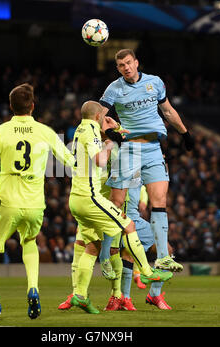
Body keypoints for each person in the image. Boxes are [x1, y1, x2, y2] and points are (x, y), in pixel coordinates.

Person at [67, 100, 173, 314]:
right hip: (98, 199)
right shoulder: (107, 142)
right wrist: (111, 136)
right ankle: (140, 276)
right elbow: (103, 156)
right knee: (118, 238)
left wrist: (114, 128)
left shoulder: (85, 131)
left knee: (103, 246)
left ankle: (101, 295)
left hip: (90, 199)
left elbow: (122, 137)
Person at [0, 83, 75, 321]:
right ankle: (33, 288)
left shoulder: (2, 131)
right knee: (30, 240)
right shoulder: (45, 131)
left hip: (8, 200)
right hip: (35, 203)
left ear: (11, 106)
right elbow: (70, 161)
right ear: (33, 107)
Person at [99, 48, 194, 272]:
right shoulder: (114, 88)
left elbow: (168, 111)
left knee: (159, 202)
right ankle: (105, 255)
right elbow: (97, 116)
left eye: (129, 63)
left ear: (137, 62)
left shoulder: (155, 82)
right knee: (117, 203)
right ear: (118, 68)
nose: (126, 68)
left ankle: (162, 257)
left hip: (153, 149)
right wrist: (108, 133)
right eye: (122, 65)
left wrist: (185, 134)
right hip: (129, 149)